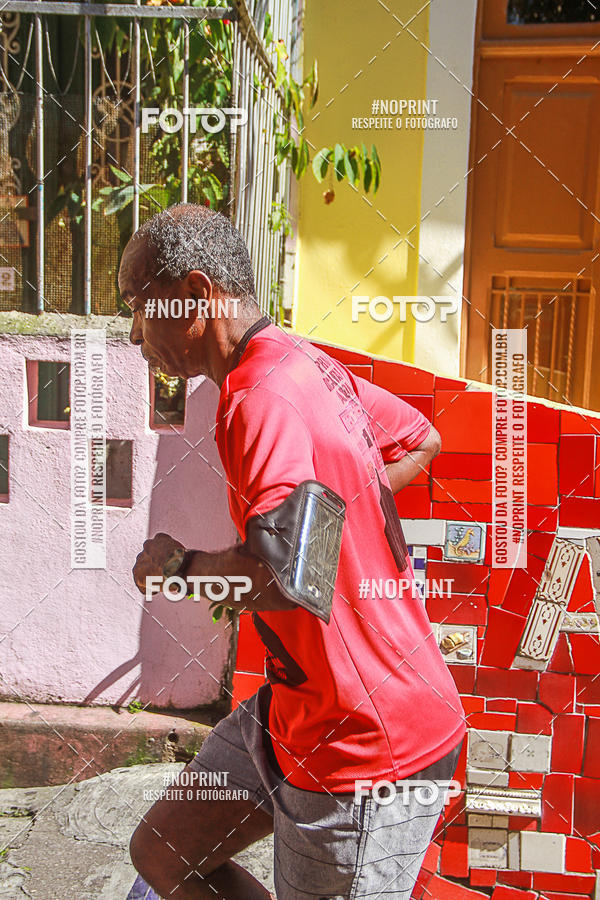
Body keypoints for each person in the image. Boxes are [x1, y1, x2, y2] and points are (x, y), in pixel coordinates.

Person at [120, 203, 466, 900]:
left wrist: (179, 568)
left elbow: (286, 574)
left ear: (193, 294)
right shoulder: (301, 364)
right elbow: (417, 438)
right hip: (295, 707)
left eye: (138, 307)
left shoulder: (261, 397)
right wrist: (336, 516)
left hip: (365, 748)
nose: (134, 334)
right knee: (163, 853)